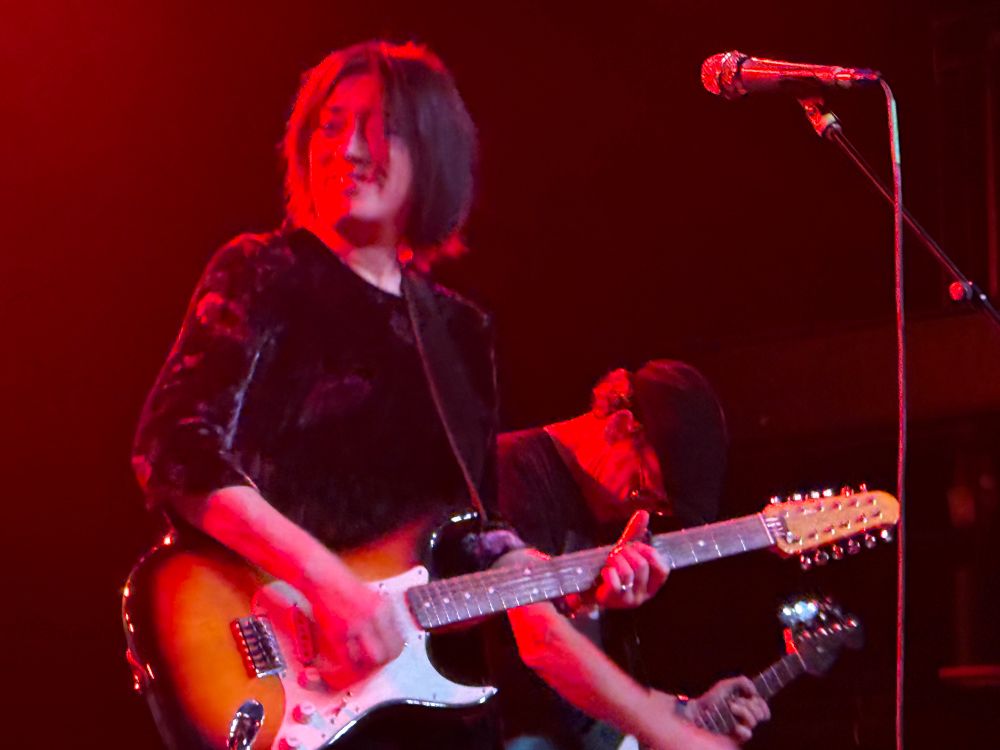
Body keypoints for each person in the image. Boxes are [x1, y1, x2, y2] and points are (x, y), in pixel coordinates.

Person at [130, 40, 665, 750]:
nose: (349, 148)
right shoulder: (264, 272)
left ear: (433, 153)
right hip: (269, 662)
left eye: (380, 128)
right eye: (331, 123)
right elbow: (172, 447)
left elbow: (471, 533)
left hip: (411, 709)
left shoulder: (460, 332)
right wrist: (325, 580)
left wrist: (568, 581)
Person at [493, 361, 771, 750]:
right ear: (621, 425)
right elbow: (538, 645)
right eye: (643, 486)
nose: (638, 507)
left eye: (657, 507)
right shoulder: (510, 471)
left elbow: (590, 684)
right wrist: (674, 731)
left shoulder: (605, 516)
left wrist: (685, 711)